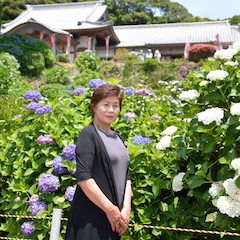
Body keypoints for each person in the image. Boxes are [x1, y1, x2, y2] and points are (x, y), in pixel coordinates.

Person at [65, 83, 132, 240]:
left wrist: (126, 209)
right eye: (106, 104)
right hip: (91, 218)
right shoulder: (88, 134)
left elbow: (126, 176)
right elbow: (83, 177)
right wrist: (111, 210)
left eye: (115, 105)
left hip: (115, 218)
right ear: (94, 107)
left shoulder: (118, 137)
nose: (111, 110)